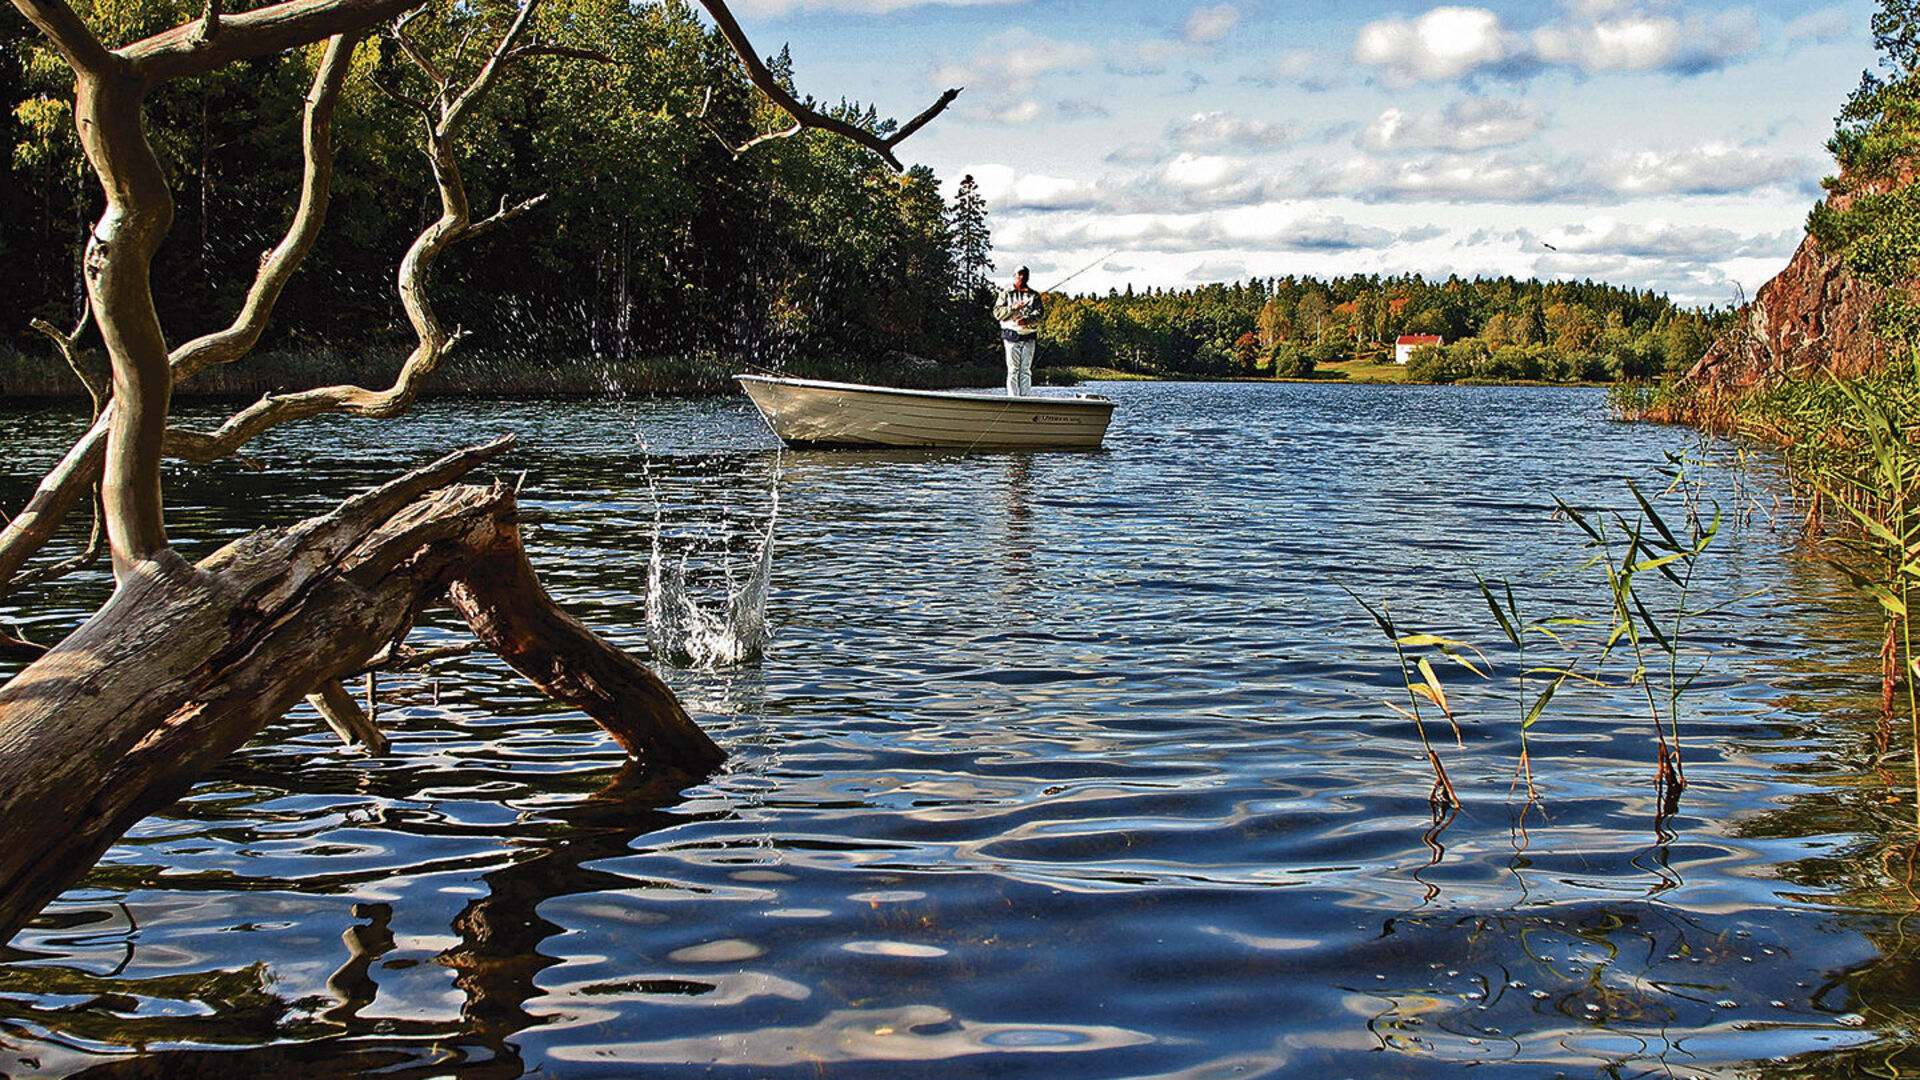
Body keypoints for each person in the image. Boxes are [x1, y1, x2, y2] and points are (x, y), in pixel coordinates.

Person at [994, 266, 1044, 396]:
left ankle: (1025, 398)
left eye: (1025, 274)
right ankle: (1013, 397)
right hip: (1011, 335)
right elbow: (997, 313)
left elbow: (1039, 314)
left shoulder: (1034, 295)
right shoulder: (1005, 294)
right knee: (1013, 370)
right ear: (1014, 275)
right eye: (1020, 274)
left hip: (1029, 336)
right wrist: (1013, 307)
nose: (1022, 277)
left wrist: (1026, 320)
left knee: (1026, 370)